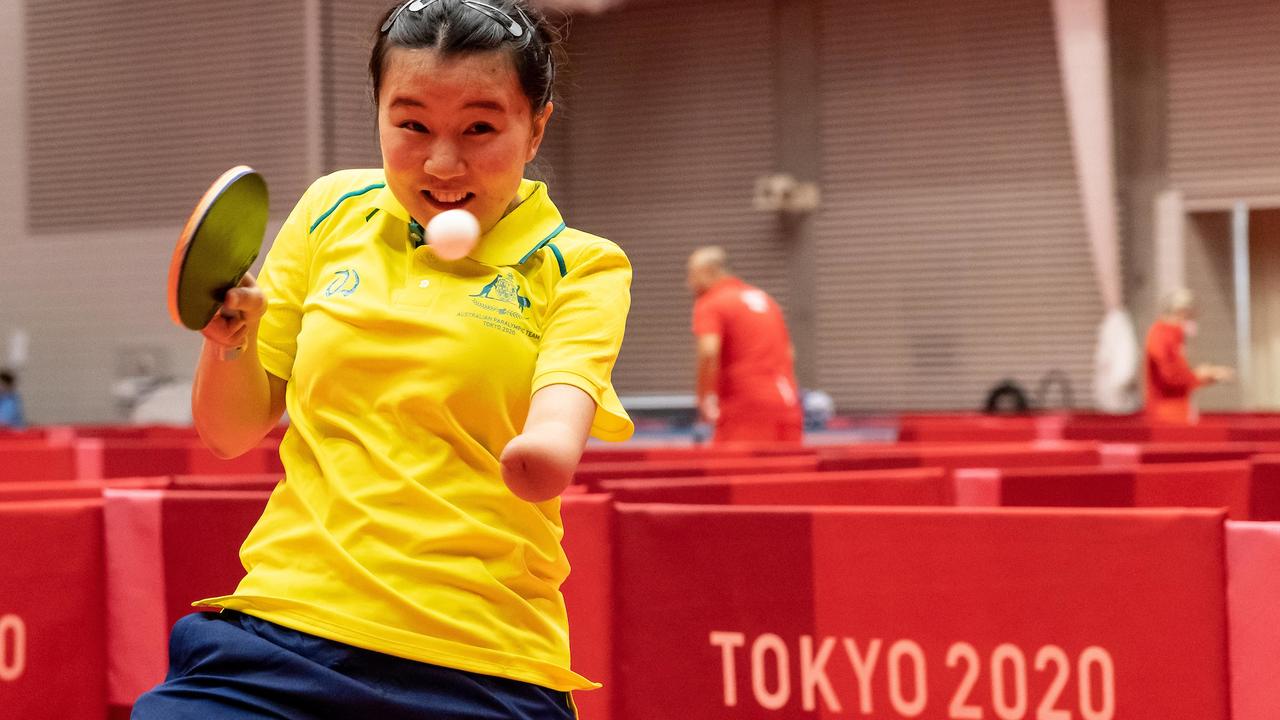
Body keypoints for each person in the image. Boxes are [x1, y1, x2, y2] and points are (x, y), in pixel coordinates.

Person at [132, 1, 633, 717]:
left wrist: (546, 449)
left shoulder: (581, 264)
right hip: (286, 631)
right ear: (377, 115)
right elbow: (230, 432)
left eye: (480, 127)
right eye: (412, 124)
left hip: (479, 655)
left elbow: (566, 394)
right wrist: (229, 341)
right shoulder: (331, 209)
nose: (442, 162)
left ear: (536, 128)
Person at [687, 246, 802, 443]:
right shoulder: (765, 300)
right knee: (785, 472)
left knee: (730, 473)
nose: (688, 283)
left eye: (691, 275)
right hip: (787, 405)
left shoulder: (712, 302)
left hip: (744, 408)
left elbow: (708, 351)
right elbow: (790, 353)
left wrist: (704, 397)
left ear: (706, 272)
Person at [1144, 288, 1232, 423]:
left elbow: (1180, 373)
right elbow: (1170, 377)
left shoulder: (1174, 336)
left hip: (1179, 411)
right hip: (1167, 415)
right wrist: (1200, 375)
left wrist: (1204, 376)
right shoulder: (1161, 335)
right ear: (1181, 313)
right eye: (1189, 316)